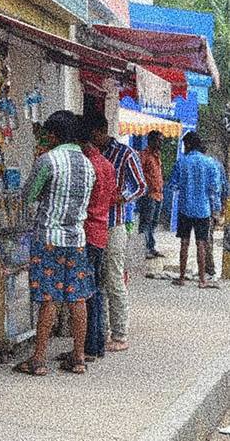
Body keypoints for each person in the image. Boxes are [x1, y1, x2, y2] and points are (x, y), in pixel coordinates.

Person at [15, 111, 96, 376]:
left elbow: (27, 196)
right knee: (78, 297)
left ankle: (38, 360)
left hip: (48, 238)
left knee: (48, 298)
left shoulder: (48, 160)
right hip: (77, 239)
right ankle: (79, 358)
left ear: (52, 135)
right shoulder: (88, 164)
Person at [89, 116, 147, 353]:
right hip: (94, 224)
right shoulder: (92, 155)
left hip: (114, 224)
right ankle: (99, 332)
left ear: (102, 131)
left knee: (113, 278)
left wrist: (123, 196)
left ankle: (120, 333)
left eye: (95, 137)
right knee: (97, 279)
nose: (93, 142)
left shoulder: (125, 154)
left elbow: (141, 185)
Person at [76, 116, 117, 362]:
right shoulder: (107, 165)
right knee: (96, 291)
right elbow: (111, 198)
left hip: (87, 231)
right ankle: (96, 343)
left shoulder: (87, 165)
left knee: (85, 291)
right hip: (101, 231)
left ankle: (88, 347)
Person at [167, 132, 221, 289]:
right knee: (201, 244)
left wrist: (185, 186)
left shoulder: (181, 162)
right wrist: (216, 210)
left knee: (184, 243)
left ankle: (182, 277)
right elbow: (214, 189)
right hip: (203, 210)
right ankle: (202, 280)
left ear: (189, 144)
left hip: (185, 208)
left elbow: (172, 185)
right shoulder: (210, 163)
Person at [139, 131, 165, 259]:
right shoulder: (144, 155)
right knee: (146, 222)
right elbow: (139, 173)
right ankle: (143, 248)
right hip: (149, 195)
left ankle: (151, 246)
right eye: (159, 140)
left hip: (158, 194)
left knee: (153, 223)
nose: (161, 143)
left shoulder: (157, 156)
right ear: (151, 141)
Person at [203, 147, 228, 279]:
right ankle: (207, 269)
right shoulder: (218, 165)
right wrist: (223, 208)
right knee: (207, 237)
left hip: (202, 206)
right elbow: (225, 187)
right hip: (213, 207)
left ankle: (208, 269)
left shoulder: (201, 164)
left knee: (202, 239)